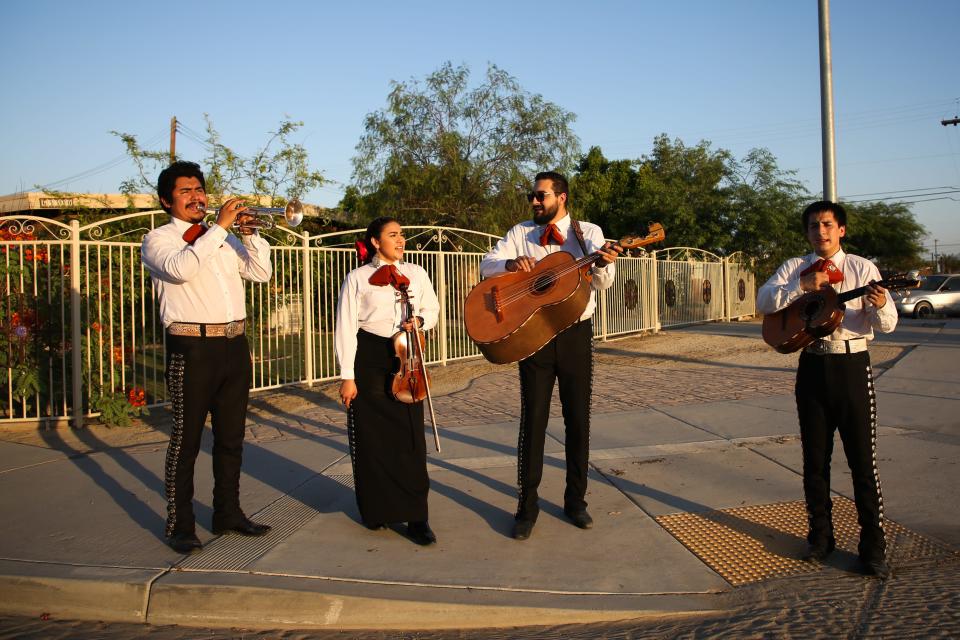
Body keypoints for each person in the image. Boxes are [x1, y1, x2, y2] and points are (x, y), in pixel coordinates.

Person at [757, 200, 897, 579]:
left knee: (862, 462)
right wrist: (801, 285)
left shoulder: (862, 269)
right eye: (814, 226)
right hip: (813, 366)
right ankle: (820, 538)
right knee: (814, 461)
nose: (820, 231)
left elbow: (887, 325)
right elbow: (763, 301)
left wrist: (881, 304)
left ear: (841, 230)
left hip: (852, 366)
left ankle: (873, 547)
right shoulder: (794, 267)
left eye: (827, 224)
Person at [479, 171, 621, 540]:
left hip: (575, 333)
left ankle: (576, 501)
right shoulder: (519, 233)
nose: (534, 202)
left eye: (541, 196)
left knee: (578, 420)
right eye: (533, 195)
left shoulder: (588, 234)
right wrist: (510, 266)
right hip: (534, 336)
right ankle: (526, 508)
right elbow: (487, 265)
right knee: (534, 420)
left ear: (562, 197)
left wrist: (603, 264)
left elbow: (603, 284)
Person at [141, 161, 273, 555]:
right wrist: (220, 229)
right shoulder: (159, 239)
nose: (196, 196)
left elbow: (260, 273)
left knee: (231, 439)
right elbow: (182, 270)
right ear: (167, 200)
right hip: (192, 348)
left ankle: (227, 512)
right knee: (186, 440)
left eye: (199, 189)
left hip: (235, 345)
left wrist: (248, 236)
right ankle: (180, 525)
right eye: (185, 191)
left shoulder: (223, 237)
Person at [335, 216, 441, 545]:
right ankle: (377, 510)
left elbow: (433, 309)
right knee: (372, 439)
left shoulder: (417, 274)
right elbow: (346, 328)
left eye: (402, 234)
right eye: (393, 235)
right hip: (369, 358)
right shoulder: (358, 278)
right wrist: (347, 377)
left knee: (410, 440)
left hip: (406, 356)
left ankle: (416, 516)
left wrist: (420, 320)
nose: (400, 239)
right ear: (376, 242)